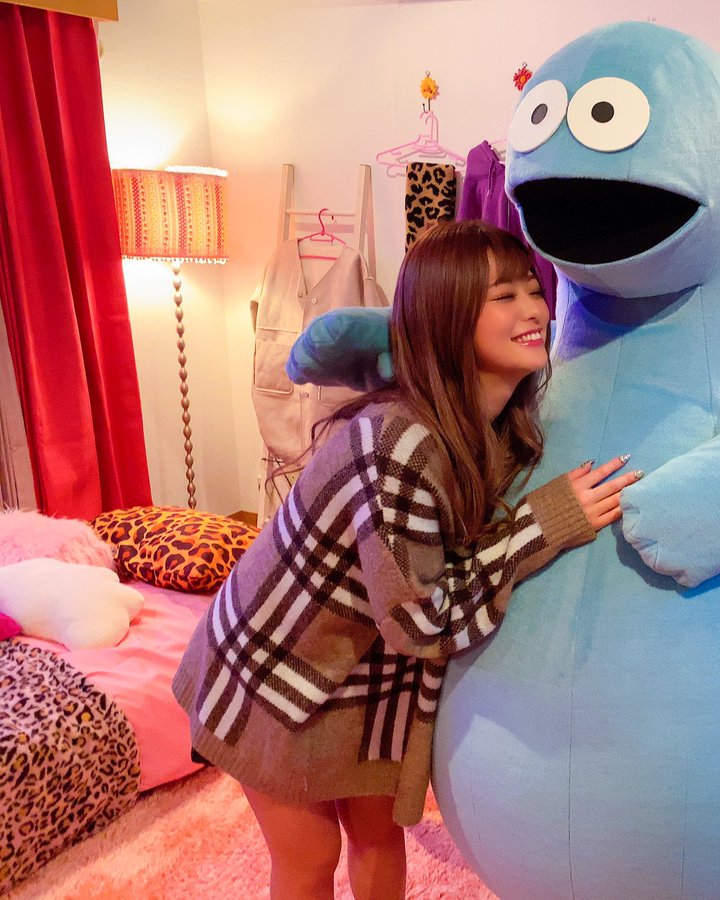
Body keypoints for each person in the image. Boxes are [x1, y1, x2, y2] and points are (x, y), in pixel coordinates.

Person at [172, 220, 638, 899]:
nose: (533, 310)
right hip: (272, 668)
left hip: (372, 668)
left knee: (378, 835)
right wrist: (544, 524)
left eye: (532, 289)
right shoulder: (400, 442)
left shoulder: (499, 424)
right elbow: (420, 620)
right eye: (502, 296)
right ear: (446, 318)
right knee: (309, 856)